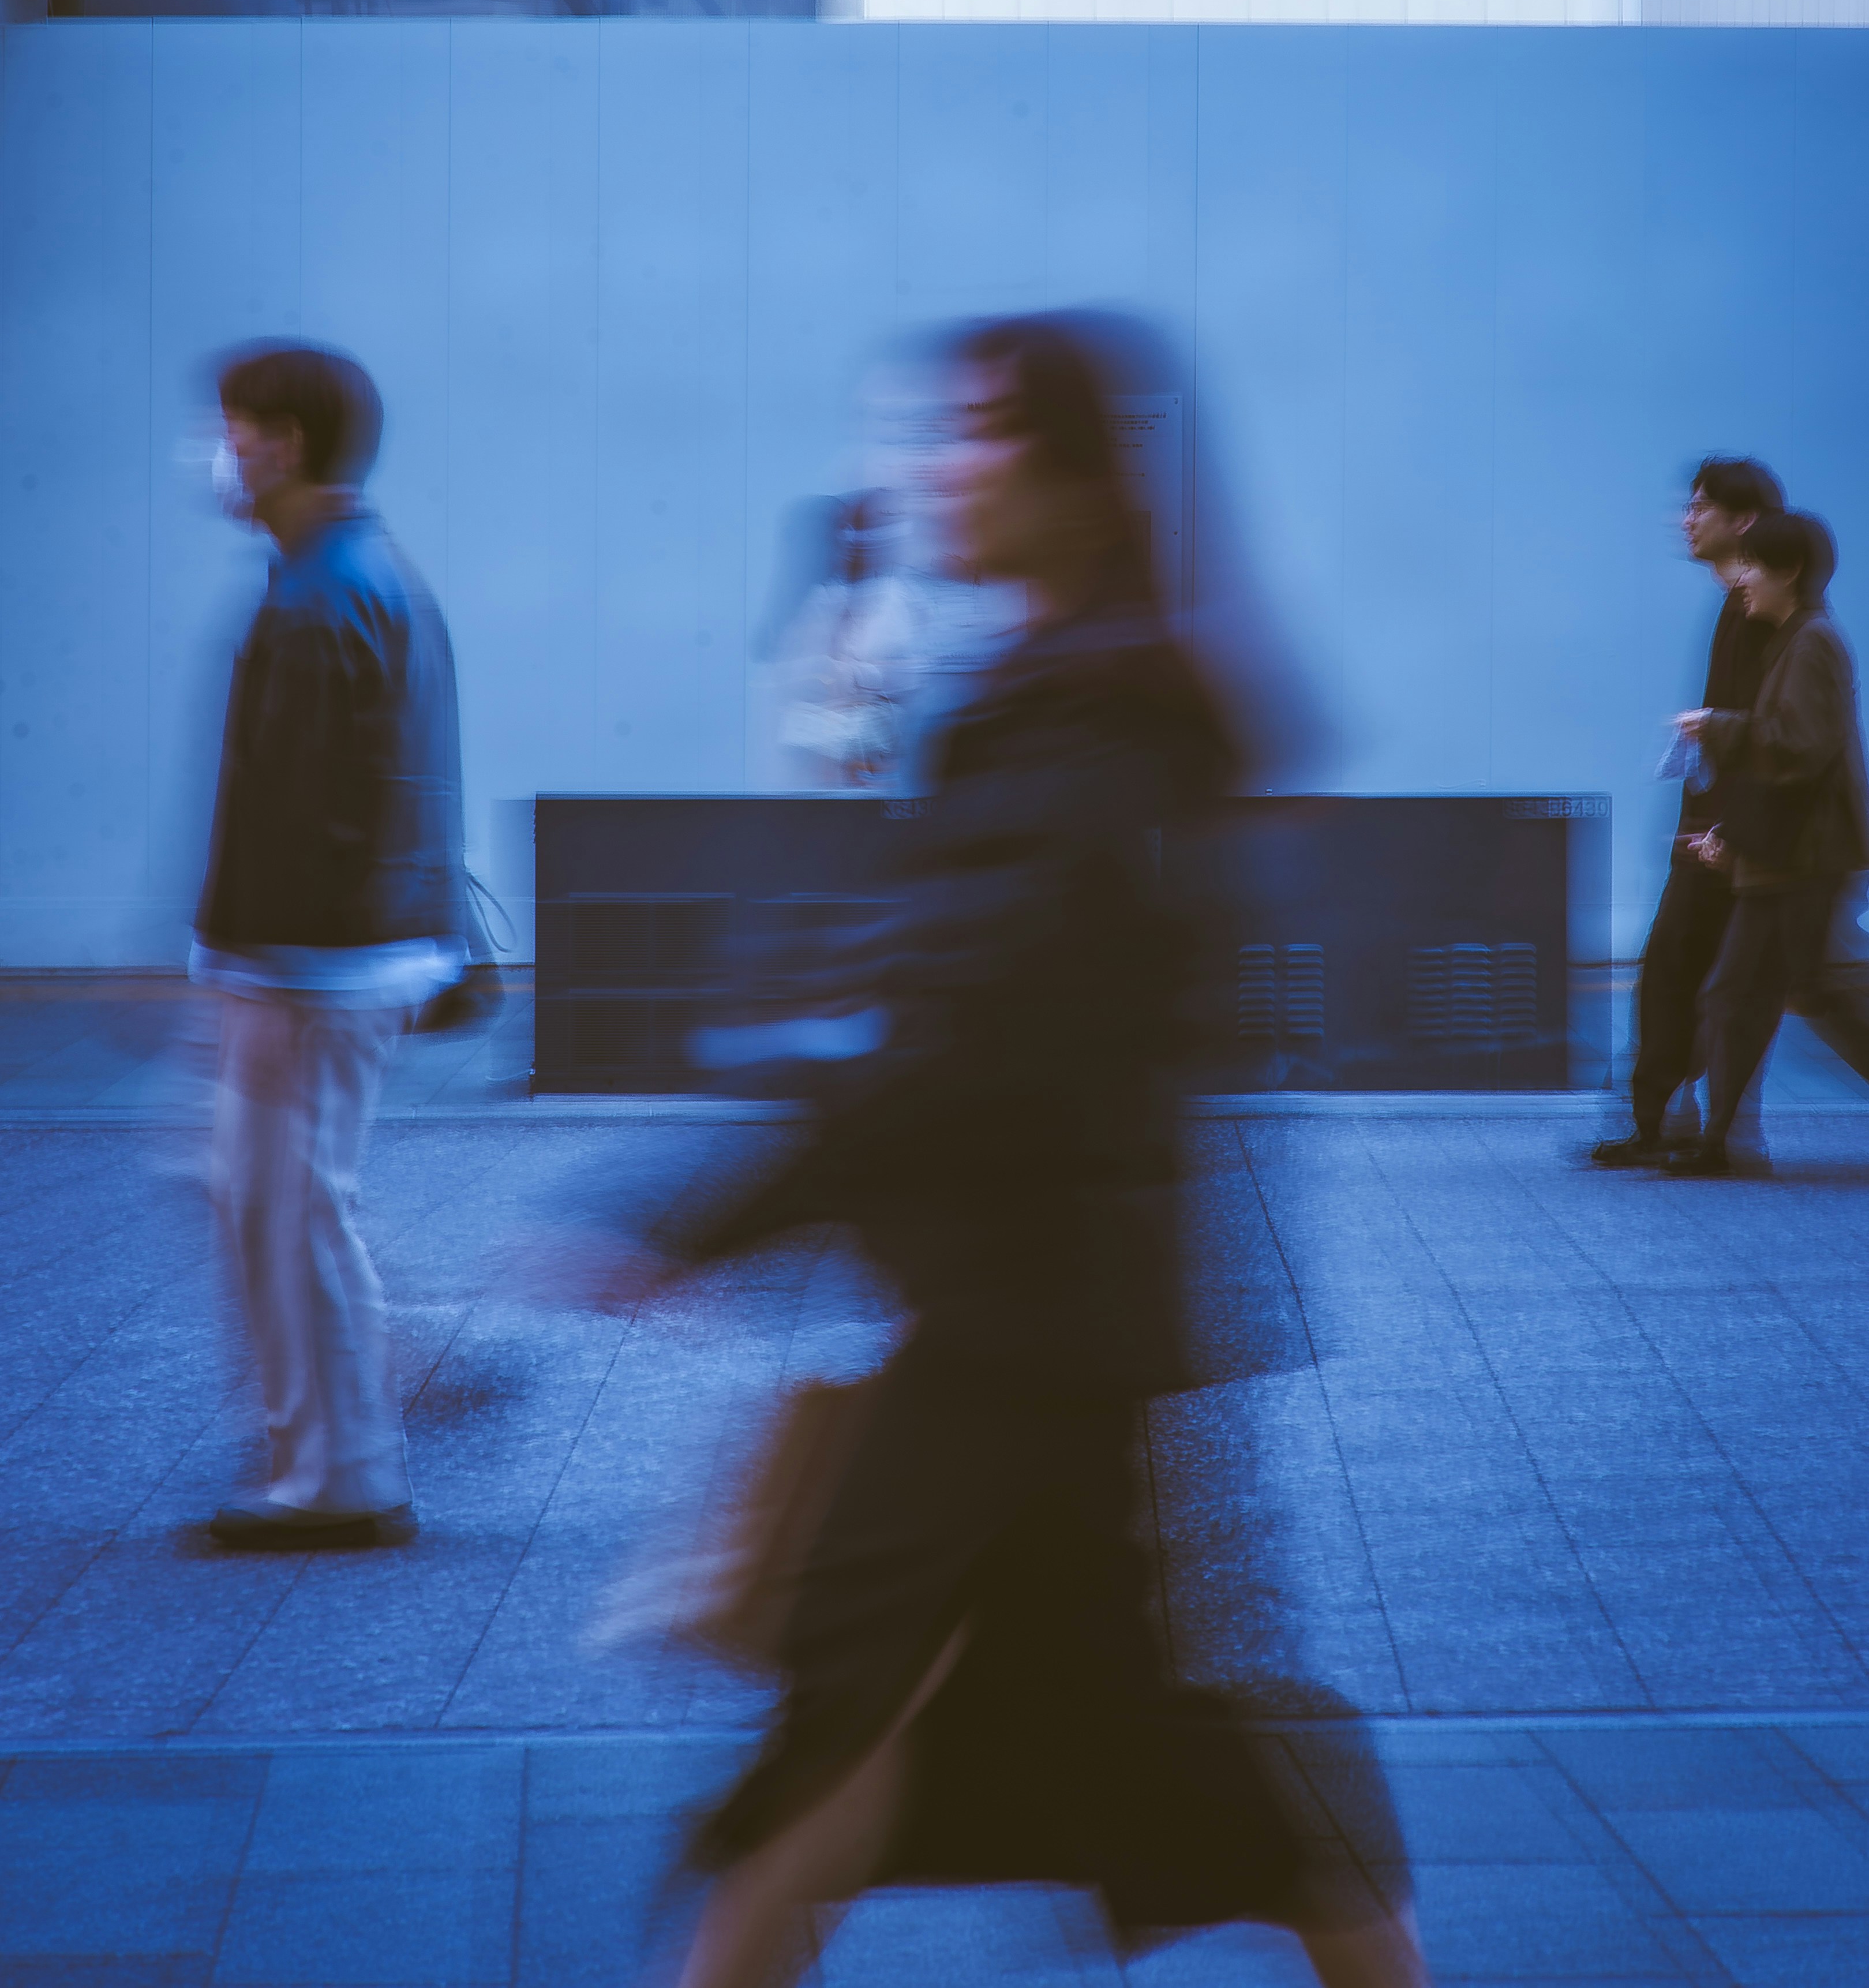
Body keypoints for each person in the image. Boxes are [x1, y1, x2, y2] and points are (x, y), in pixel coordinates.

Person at [607, 317, 1433, 1988]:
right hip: (1049, 1317)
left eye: (971, 431)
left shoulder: (1085, 728)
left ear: (1075, 475)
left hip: (1018, 1328)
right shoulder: (1077, 699)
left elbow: (969, 1037)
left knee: (852, 1720)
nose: (932, 465)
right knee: (1069, 1736)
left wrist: (694, 1221)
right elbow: (976, 1008)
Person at [192, 342, 468, 1548]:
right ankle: (329, 1453)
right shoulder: (365, 573)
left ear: (287, 441)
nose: (220, 453)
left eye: (234, 427)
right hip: (348, 954)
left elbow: (292, 814)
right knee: (282, 1205)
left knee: (288, 1210)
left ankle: (338, 1476)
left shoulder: (316, 598)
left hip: (312, 964)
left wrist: (247, 969)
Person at [1592, 457, 1784, 1167]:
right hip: (1713, 830)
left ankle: (1694, 1127)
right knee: (1679, 971)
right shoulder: (1736, 606)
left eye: (1700, 506)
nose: (1686, 518)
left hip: (1734, 837)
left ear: (1743, 520)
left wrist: (1727, 828)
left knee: (1711, 979)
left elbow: (1772, 734)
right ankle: (1669, 1120)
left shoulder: (1758, 613)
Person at [1666, 512, 1869, 1177]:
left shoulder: (1811, 643)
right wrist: (1731, 832)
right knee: (1748, 994)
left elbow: (1796, 750)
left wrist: (1716, 727)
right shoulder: (1794, 640)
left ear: (1789, 571)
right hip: (1788, 858)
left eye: (1753, 565)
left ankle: (1722, 1143)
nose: (1742, 579)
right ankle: (1721, 1143)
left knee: (1794, 992)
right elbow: (1787, 758)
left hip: (1804, 861)